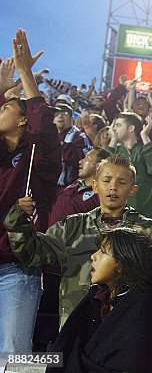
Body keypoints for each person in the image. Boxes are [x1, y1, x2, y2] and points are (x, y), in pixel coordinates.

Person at [4, 153, 152, 326]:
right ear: (95, 186)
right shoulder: (71, 227)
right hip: (76, 326)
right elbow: (33, 253)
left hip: (127, 329)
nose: (113, 187)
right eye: (107, 181)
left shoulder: (146, 231)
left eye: (121, 182)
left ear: (133, 189)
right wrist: (18, 220)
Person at [47, 228, 152, 373]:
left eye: (103, 252)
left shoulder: (143, 308)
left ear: (122, 264)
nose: (93, 256)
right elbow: (66, 345)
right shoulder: (97, 297)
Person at [0, 30, 61, 353]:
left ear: (23, 120)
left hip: (15, 271)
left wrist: (24, 75)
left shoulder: (38, 158)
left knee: (13, 355)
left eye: (5, 107)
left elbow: (45, 131)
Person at [107, 112, 152, 220]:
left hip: (147, 214)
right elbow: (101, 170)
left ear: (131, 128)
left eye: (118, 125)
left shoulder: (144, 149)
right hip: (120, 213)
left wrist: (144, 136)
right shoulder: (116, 152)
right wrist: (113, 140)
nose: (114, 129)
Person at [48, 147, 110, 226]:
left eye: (87, 158)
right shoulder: (73, 186)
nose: (80, 161)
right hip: (49, 236)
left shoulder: (101, 196)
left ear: (98, 166)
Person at [53, 101, 93, 187]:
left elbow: (88, 163)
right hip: (52, 186)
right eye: (57, 114)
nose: (60, 116)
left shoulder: (80, 137)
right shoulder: (49, 137)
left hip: (71, 187)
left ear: (72, 119)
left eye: (65, 113)